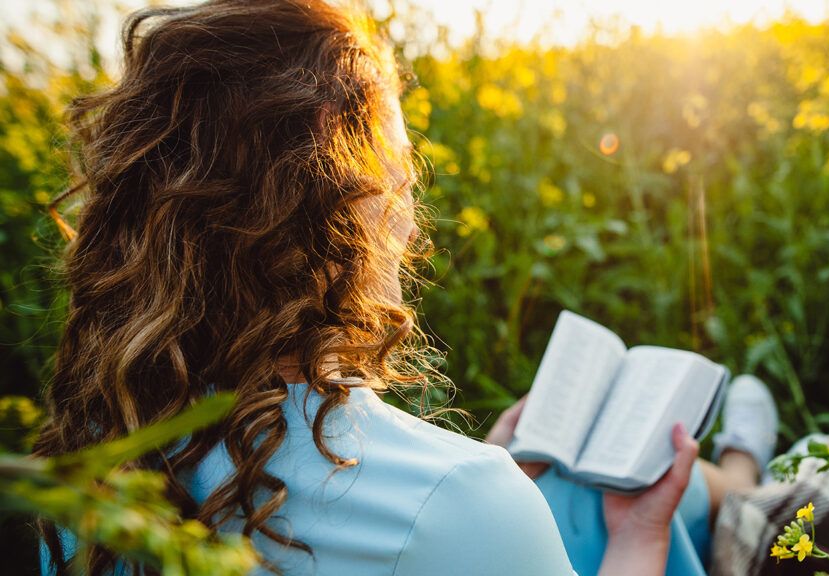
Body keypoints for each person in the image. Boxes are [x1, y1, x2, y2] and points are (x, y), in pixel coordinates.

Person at [34, 1, 778, 575]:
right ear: (339, 203)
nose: (411, 228)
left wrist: (481, 478)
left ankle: (738, 477)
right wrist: (640, 538)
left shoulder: (93, 461)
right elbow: (434, 521)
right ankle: (745, 475)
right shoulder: (462, 500)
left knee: (563, 494)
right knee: (613, 503)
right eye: (400, 180)